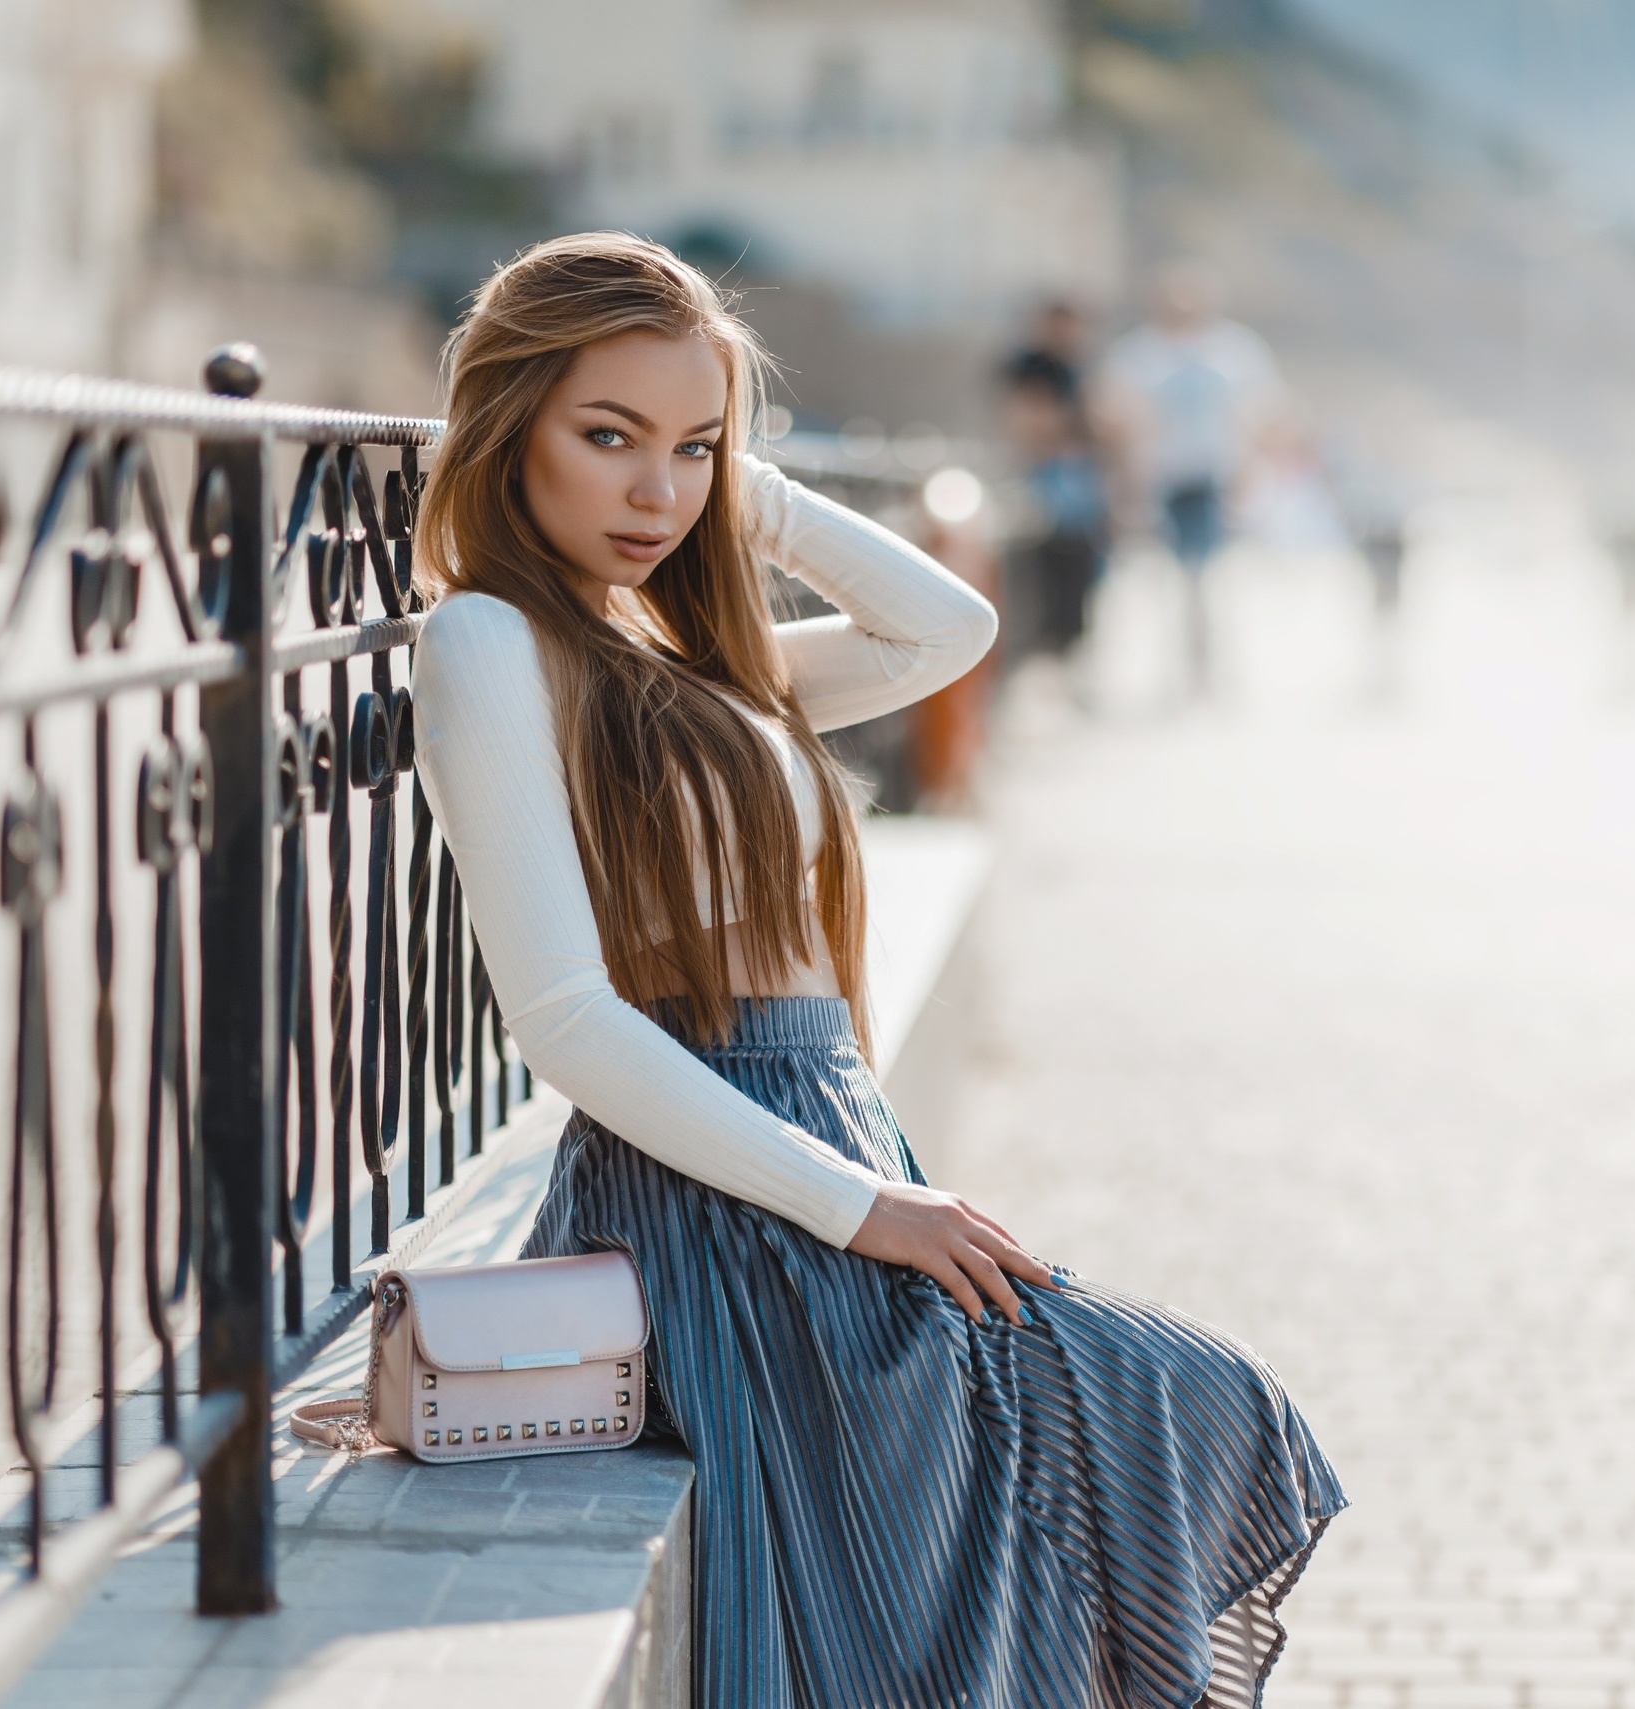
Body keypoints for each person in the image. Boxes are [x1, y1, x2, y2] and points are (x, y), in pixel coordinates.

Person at [409, 233, 1342, 1708]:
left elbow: (945, 630)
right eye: (607, 439)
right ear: (506, 427)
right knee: (1160, 1414)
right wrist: (866, 1210)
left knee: (971, 1584)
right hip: (729, 1189)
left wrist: (738, 483)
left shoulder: (669, 639)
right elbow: (568, 1020)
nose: (656, 493)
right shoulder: (490, 641)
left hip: (827, 1140)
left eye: (691, 450)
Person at [1102, 264, 1280, 690]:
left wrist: (1251, 477)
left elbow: (1259, 417)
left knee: (1209, 578)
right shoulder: (1139, 353)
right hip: (1162, 480)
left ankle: (1208, 669)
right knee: (1165, 582)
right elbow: (1119, 419)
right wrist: (1128, 485)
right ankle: (1175, 668)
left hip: (1215, 478)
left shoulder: (1234, 351)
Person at [999, 300, 1110, 660]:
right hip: (1047, 473)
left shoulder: (1078, 365)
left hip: (1080, 473)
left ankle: (1069, 642)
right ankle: (1050, 644)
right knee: (1050, 558)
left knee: (1083, 560)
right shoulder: (1032, 365)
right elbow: (1032, 421)